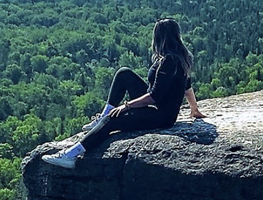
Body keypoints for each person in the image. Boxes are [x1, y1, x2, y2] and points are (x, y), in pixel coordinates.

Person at [42, 18, 205, 169]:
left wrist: (126, 106)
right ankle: (103, 115)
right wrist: (194, 109)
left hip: (162, 115)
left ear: (160, 37)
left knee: (112, 120)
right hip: (159, 106)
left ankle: (71, 155)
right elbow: (187, 85)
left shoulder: (169, 60)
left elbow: (155, 97)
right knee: (124, 74)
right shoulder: (181, 56)